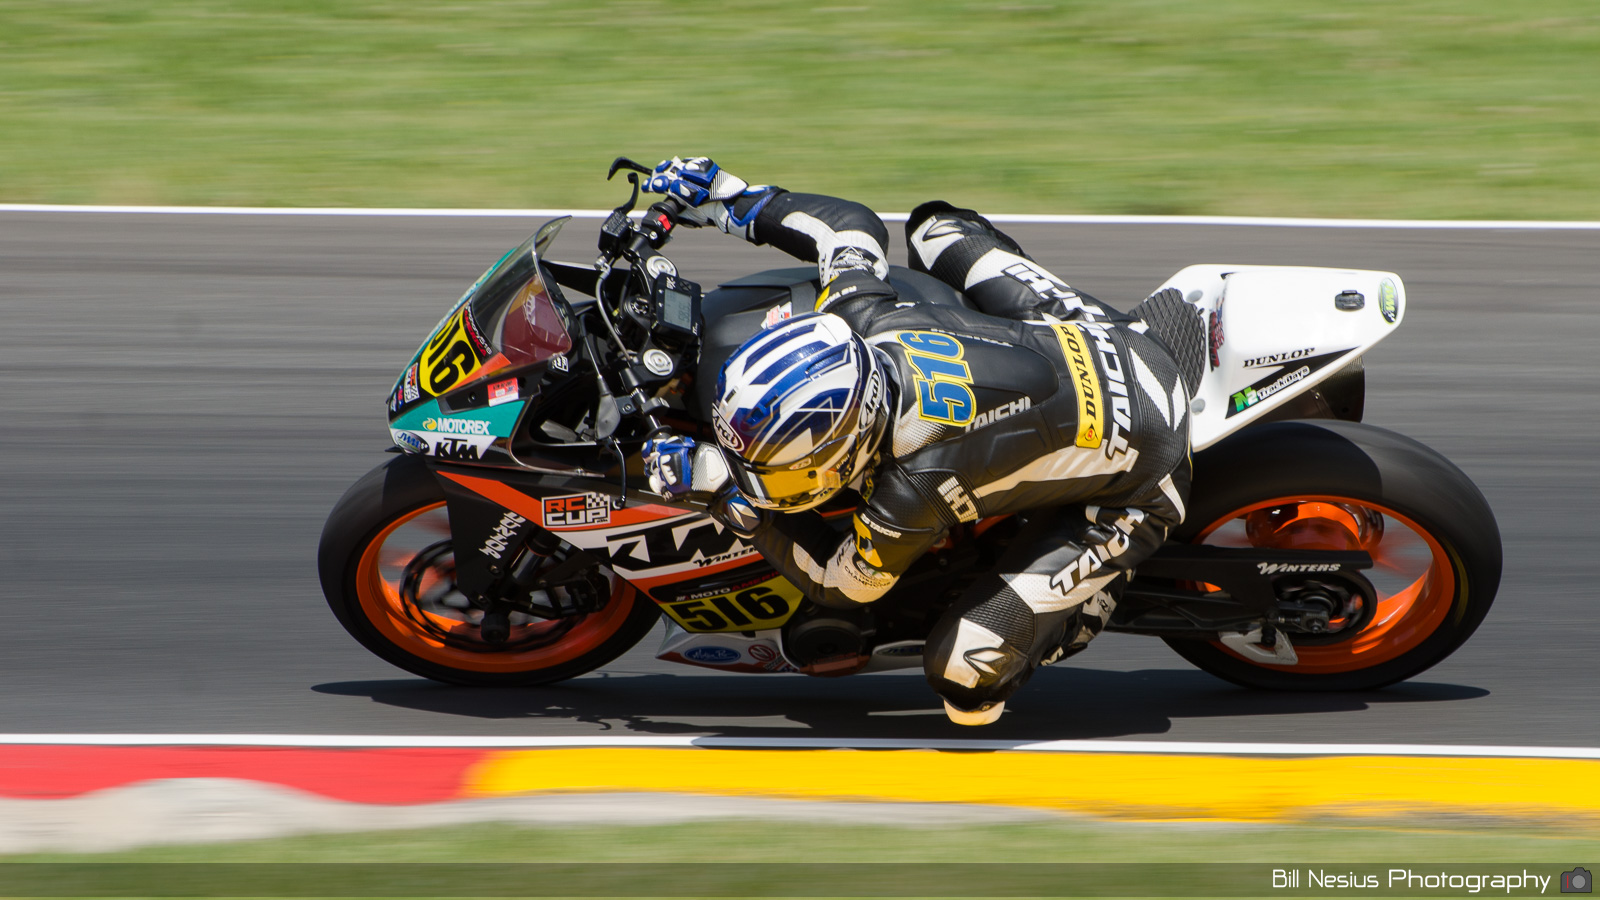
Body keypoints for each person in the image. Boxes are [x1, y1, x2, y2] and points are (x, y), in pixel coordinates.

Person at [640, 157, 1201, 725]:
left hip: (1146, 473)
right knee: (935, 226)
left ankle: (1083, 607)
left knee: (964, 678)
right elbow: (849, 227)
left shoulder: (914, 486)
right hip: (1109, 340)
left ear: (849, 445)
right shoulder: (864, 316)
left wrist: (725, 499)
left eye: (787, 468)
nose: (770, 479)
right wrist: (726, 198)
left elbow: (845, 585)